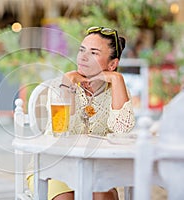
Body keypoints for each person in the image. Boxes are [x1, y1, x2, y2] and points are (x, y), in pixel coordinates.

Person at [27, 26, 136, 200]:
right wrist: (67, 87)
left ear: (112, 64)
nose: (83, 57)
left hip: (96, 168)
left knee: (103, 196)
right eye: (81, 50)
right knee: (66, 198)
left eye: (93, 52)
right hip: (53, 165)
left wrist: (117, 78)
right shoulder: (60, 85)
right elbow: (60, 133)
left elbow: (122, 132)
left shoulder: (117, 90)